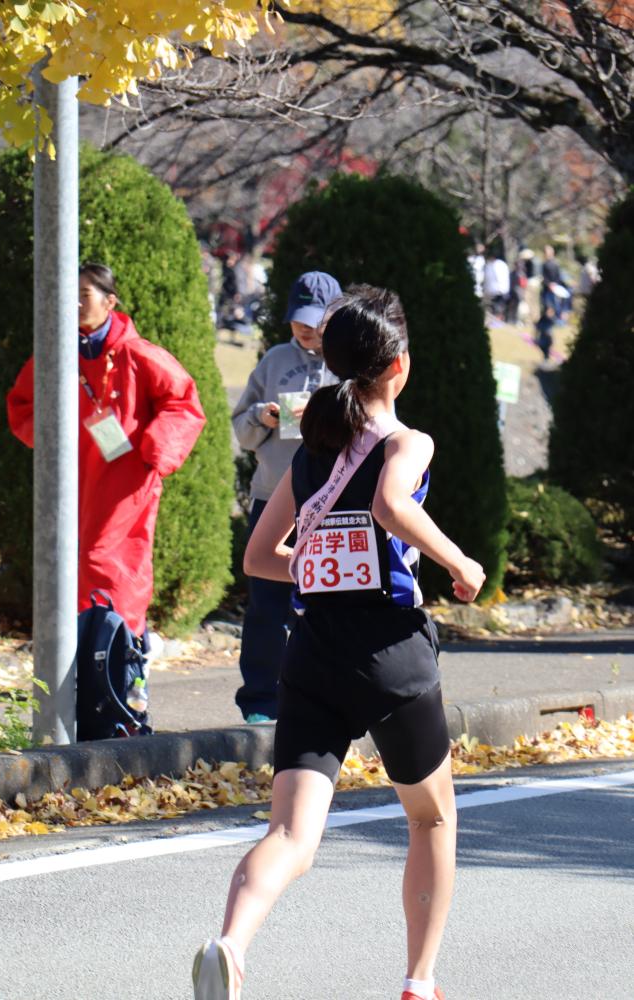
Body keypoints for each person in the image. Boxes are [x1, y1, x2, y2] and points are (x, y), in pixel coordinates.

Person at [194, 285, 485, 1000]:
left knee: (292, 837)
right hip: (392, 656)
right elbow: (390, 503)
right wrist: (459, 562)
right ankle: (419, 981)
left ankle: (229, 944)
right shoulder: (407, 442)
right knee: (433, 817)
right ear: (400, 366)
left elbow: (261, 558)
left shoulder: (311, 454)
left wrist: (323, 560)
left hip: (313, 652)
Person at [7, 262, 206, 655]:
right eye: (71, 297)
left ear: (110, 301)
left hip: (126, 484)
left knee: (116, 568)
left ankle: (126, 660)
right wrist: (48, 443)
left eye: (85, 295)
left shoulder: (138, 353)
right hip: (71, 479)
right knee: (71, 564)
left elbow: (184, 403)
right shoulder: (55, 352)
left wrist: (155, 451)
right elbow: (22, 405)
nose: (76, 305)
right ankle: (84, 666)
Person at [231, 270, 342, 723]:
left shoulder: (346, 364)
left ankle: (323, 695)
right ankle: (260, 699)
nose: (307, 328)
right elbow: (241, 429)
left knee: (326, 601)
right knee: (267, 606)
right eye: (300, 319)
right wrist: (262, 416)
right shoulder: (274, 360)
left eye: (316, 320)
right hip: (272, 496)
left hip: (331, 500)